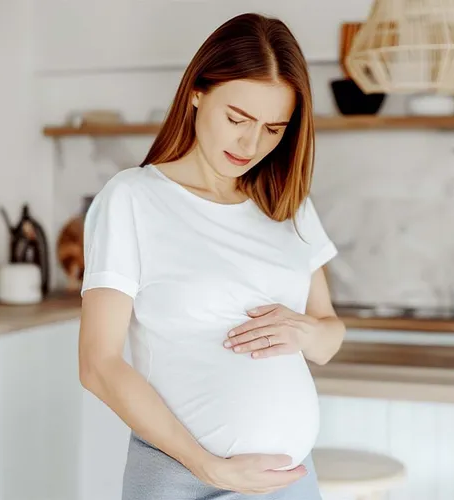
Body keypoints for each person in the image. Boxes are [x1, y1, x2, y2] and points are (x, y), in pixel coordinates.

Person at [77, 12, 346, 500]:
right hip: (184, 477)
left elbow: (328, 338)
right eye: (237, 119)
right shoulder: (134, 198)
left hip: (291, 481)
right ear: (197, 92)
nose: (251, 144)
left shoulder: (287, 203)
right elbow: (98, 364)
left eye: (273, 128)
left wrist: (306, 331)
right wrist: (209, 467)